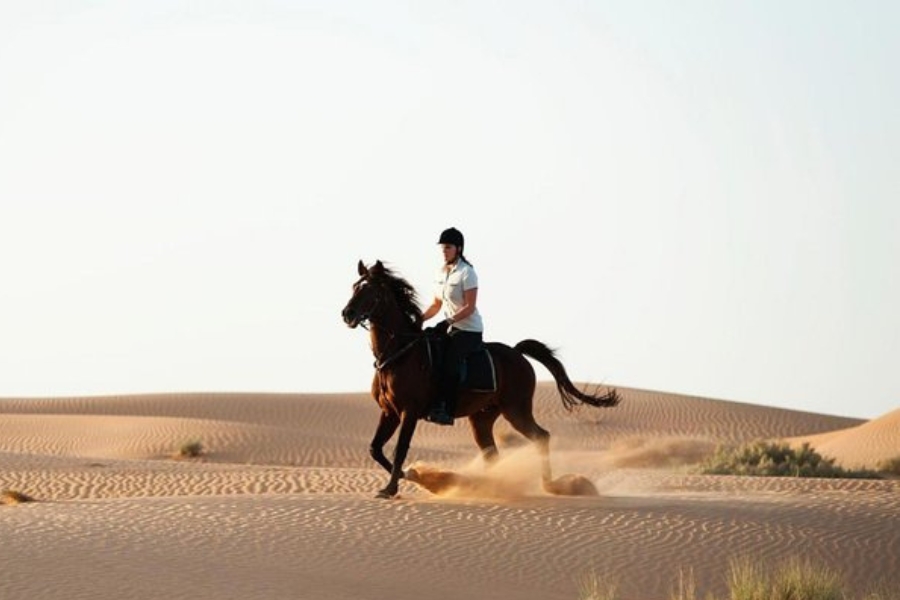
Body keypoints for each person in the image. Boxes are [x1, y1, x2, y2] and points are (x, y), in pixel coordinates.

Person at [421, 227, 484, 425]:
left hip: (468, 330)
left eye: (448, 247)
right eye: (442, 248)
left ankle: (446, 409)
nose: (444, 251)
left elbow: (470, 307)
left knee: (450, 361)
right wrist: (419, 320)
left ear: (458, 248)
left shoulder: (467, 273)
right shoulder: (441, 273)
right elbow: (436, 305)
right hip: (449, 328)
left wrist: (447, 321)